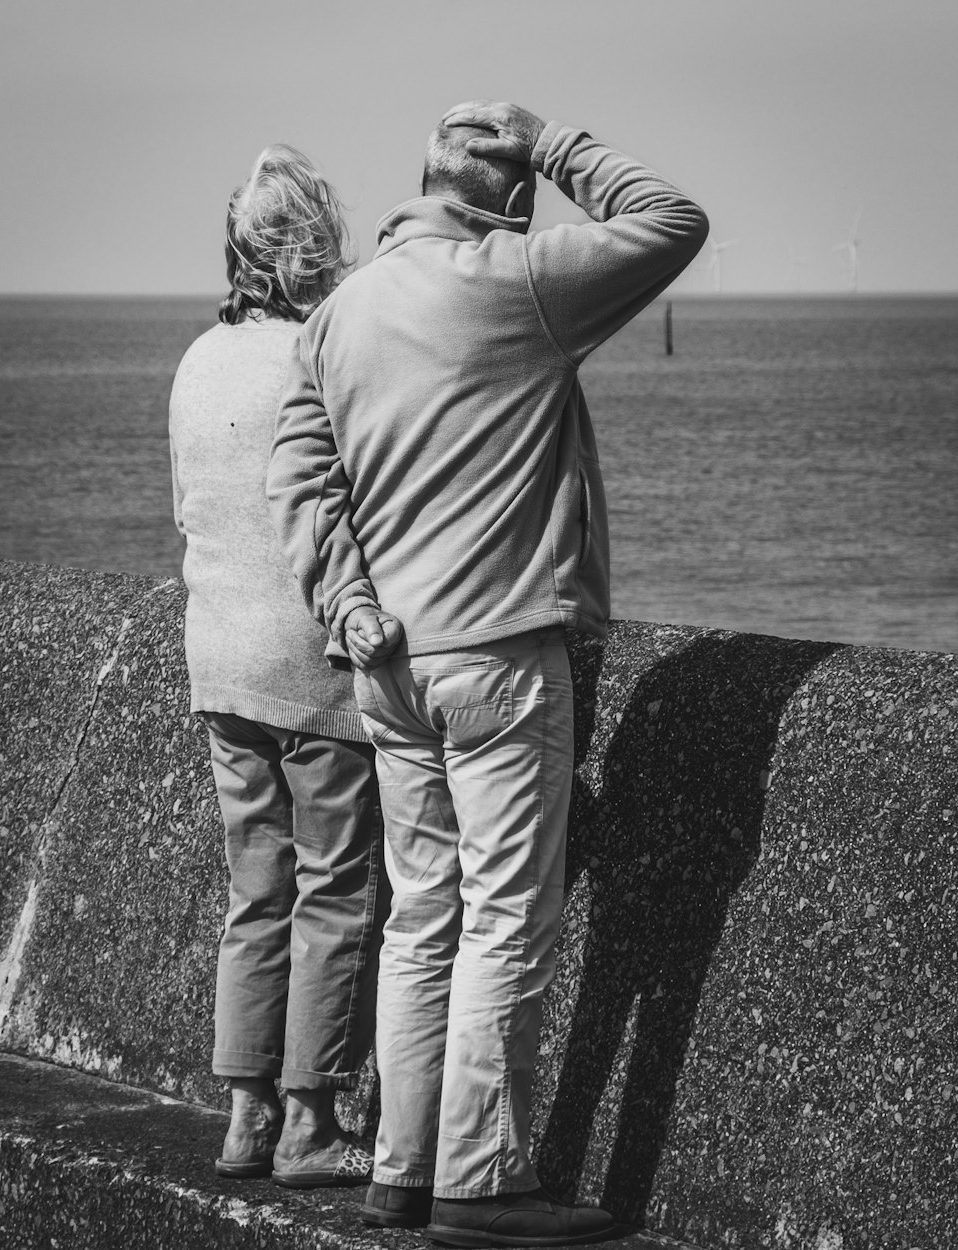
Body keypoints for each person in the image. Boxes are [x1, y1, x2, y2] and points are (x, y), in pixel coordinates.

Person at [267, 101, 708, 1244]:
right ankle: (480, 1183)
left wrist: (350, 602)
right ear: (510, 197)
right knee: (507, 916)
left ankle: (399, 1169)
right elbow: (671, 220)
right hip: (499, 654)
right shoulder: (518, 277)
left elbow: (300, 484)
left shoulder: (337, 312)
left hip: (387, 662)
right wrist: (558, 144)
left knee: (420, 919)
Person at [169, 144, 384, 1191]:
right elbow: (354, 506)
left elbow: (192, 511)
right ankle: (310, 1122)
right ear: (312, 249)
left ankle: (244, 1116)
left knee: (254, 889)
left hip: (219, 657)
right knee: (336, 893)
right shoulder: (323, 351)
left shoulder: (196, 360)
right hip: (311, 661)